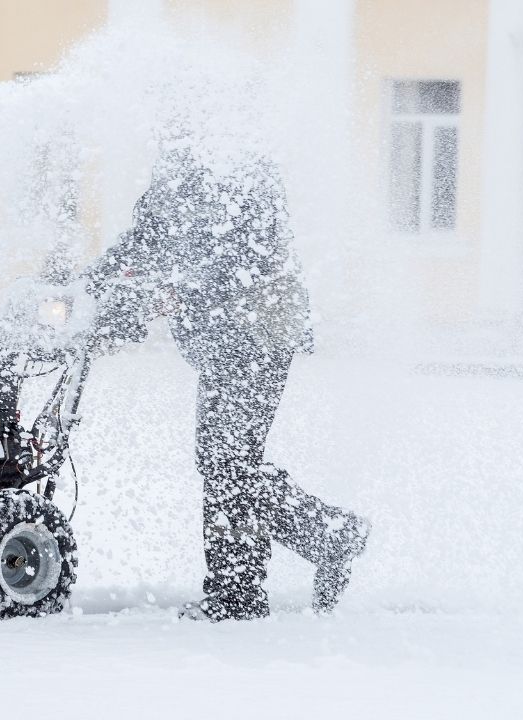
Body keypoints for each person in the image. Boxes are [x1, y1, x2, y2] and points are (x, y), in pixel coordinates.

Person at [84, 140, 370, 621]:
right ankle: (242, 590)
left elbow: (236, 246)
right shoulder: (180, 168)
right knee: (226, 464)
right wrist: (88, 288)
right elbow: (145, 239)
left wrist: (171, 282)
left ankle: (325, 539)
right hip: (224, 344)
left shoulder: (242, 163)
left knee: (228, 465)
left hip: (257, 334)